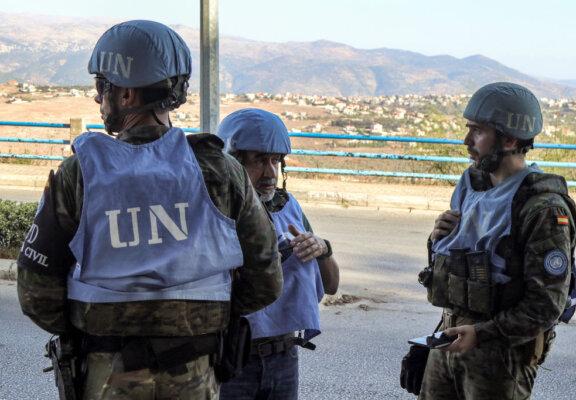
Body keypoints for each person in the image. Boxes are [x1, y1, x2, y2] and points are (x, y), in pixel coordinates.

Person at [17, 20, 282, 400]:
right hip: (197, 374)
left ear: (125, 94)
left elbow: (36, 291)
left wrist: (93, 331)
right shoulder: (222, 171)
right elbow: (266, 278)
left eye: (101, 87)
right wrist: (200, 319)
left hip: (106, 375)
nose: (98, 98)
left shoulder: (81, 173)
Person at [403, 82, 576, 400]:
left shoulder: (542, 207)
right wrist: (438, 240)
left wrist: (483, 333)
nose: (467, 141)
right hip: (448, 336)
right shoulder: (472, 184)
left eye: (478, 131)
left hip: (500, 355)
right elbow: (457, 267)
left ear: (510, 139)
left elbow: (546, 306)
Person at [216, 108, 340, 400]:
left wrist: (322, 249)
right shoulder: (218, 212)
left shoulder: (287, 207)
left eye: (275, 160)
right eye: (259, 160)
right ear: (234, 163)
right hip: (233, 358)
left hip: (283, 358)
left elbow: (332, 285)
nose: (270, 172)